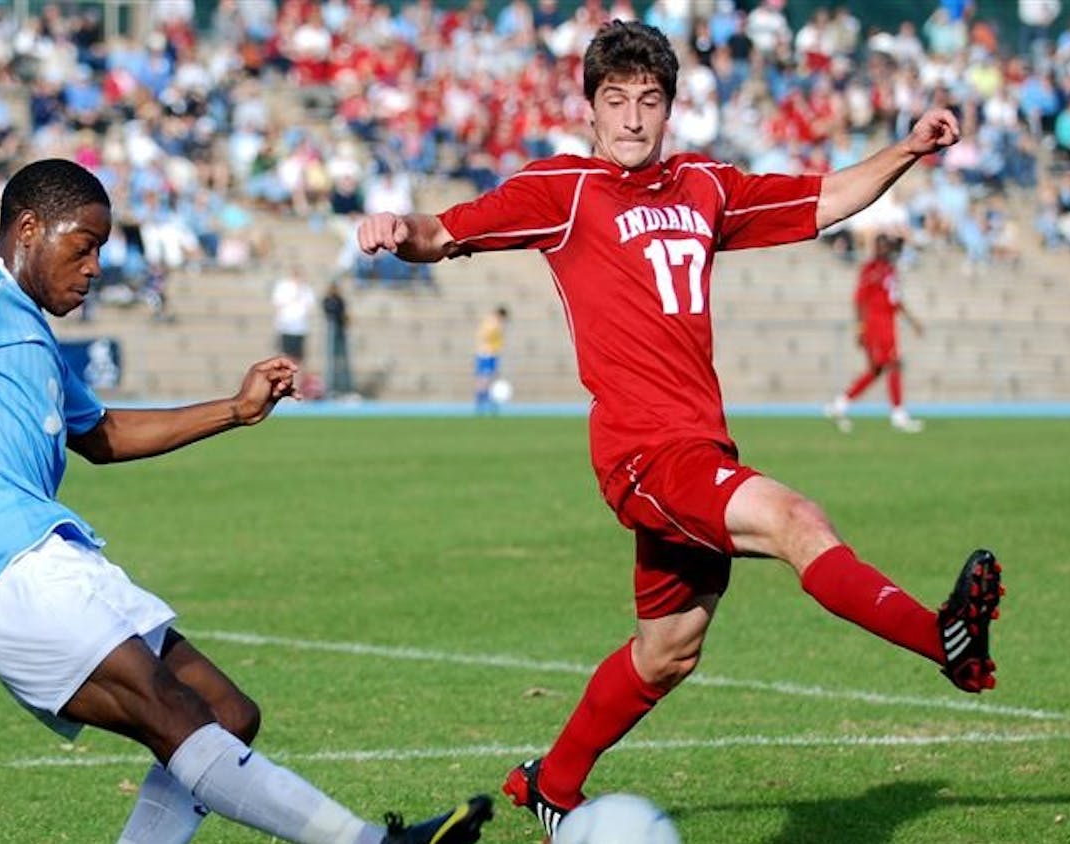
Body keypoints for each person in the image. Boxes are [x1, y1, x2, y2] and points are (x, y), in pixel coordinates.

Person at [0, 159, 493, 844]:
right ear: (28, 229)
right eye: (81, 245)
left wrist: (235, 408)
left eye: (101, 250)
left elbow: (105, 433)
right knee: (176, 712)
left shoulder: (31, 333)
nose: (93, 268)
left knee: (225, 712)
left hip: (50, 555)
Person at [356, 21, 1002, 839]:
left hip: (701, 446)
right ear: (590, 109)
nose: (631, 118)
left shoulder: (706, 185)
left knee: (669, 650)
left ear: (669, 109)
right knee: (796, 520)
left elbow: (826, 198)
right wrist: (393, 227)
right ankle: (943, 640)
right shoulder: (564, 191)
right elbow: (444, 231)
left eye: (648, 101)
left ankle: (550, 785)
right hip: (642, 453)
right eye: (615, 101)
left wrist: (907, 149)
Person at [823, 234, 925, 433]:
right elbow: (859, 300)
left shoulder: (890, 270)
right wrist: (860, 327)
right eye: (882, 246)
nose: (885, 250)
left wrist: (912, 322)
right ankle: (898, 414)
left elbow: (895, 300)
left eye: (887, 246)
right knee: (893, 364)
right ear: (876, 247)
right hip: (875, 324)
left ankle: (840, 404)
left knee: (876, 369)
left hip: (888, 323)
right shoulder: (870, 269)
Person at [473, 306, 509, 415]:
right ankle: (482, 403)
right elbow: (483, 337)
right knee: (485, 379)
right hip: (486, 354)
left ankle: (488, 403)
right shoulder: (492, 323)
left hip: (491, 354)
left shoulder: (494, 323)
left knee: (490, 378)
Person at [321, 281, 355, 398]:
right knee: (331, 362)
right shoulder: (327, 301)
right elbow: (329, 314)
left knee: (343, 362)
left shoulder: (340, 300)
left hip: (341, 333)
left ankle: (346, 389)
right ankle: (331, 389)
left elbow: (344, 315)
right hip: (332, 334)